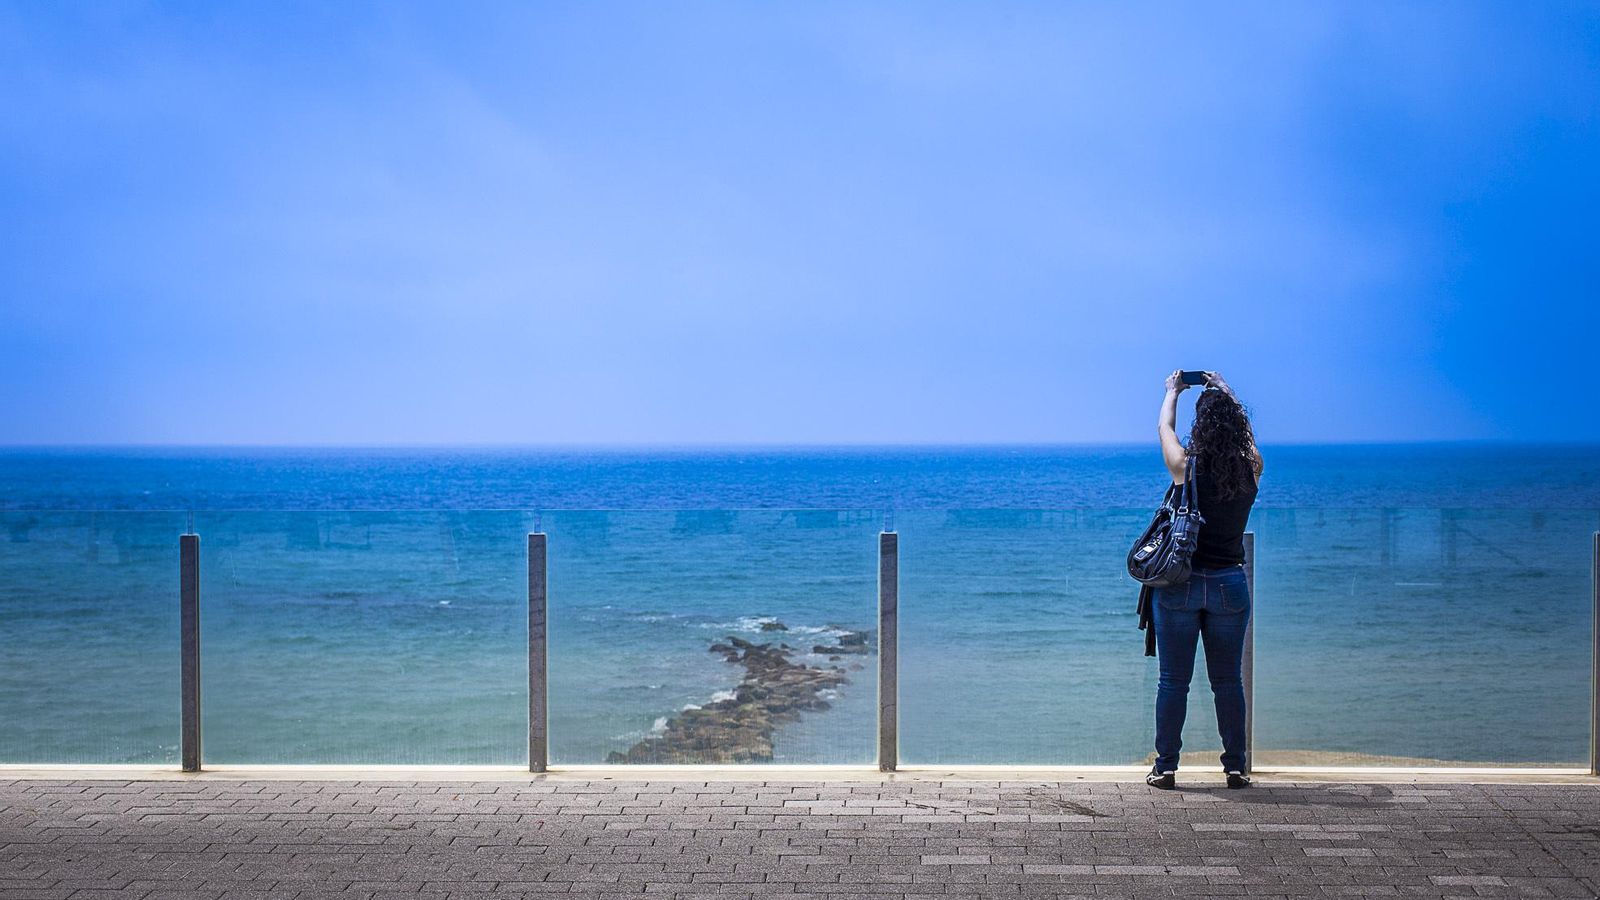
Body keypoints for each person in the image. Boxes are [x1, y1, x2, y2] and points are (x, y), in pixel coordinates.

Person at [1146, 370, 1263, 790]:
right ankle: (1235, 766)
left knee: (1174, 681)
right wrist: (1227, 392)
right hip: (1230, 584)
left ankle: (1166, 767)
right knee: (1227, 681)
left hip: (1182, 582)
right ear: (1235, 422)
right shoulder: (1251, 468)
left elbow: (1165, 427)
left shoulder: (1185, 468)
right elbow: (1247, 441)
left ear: (1203, 425)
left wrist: (1172, 392)